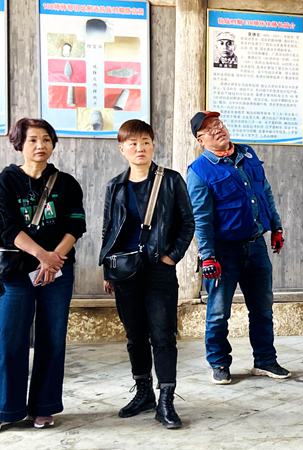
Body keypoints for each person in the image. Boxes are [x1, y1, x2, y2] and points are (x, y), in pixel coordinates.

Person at [99, 120, 194, 429]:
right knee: (134, 335)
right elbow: (108, 229)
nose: (139, 148)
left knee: (163, 335)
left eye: (145, 142)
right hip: (124, 272)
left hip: (158, 270)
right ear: (122, 149)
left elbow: (187, 223)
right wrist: (108, 269)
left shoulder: (171, 180)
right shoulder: (115, 186)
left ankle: (166, 400)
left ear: (153, 145)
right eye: (133, 143)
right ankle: (143, 393)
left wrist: (171, 257)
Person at [186, 111, 289, 385]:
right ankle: (219, 362)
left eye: (218, 124)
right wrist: (207, 256)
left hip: (256, 246)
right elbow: (201, 218)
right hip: (224, 253)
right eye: (209, 129)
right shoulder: (199, 172)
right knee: (218, 313)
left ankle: (265, 360)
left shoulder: (247, 154)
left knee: (263, 308)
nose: (218, 129)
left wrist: (276, 226)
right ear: (200, 140)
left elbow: (265, 191)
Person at [0, 118, 86, 429]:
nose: (41, 146)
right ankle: (7, 409)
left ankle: (44, 406)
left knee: (52, 338)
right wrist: (42, 256)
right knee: (10, 339)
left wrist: (54, 261)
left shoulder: (66, 183)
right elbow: (7, 228)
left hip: (57, 273)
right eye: (33, 140)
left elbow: (76, 225)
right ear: (19, 144)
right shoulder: (6, 181)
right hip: (15, 273)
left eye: (46, 139)